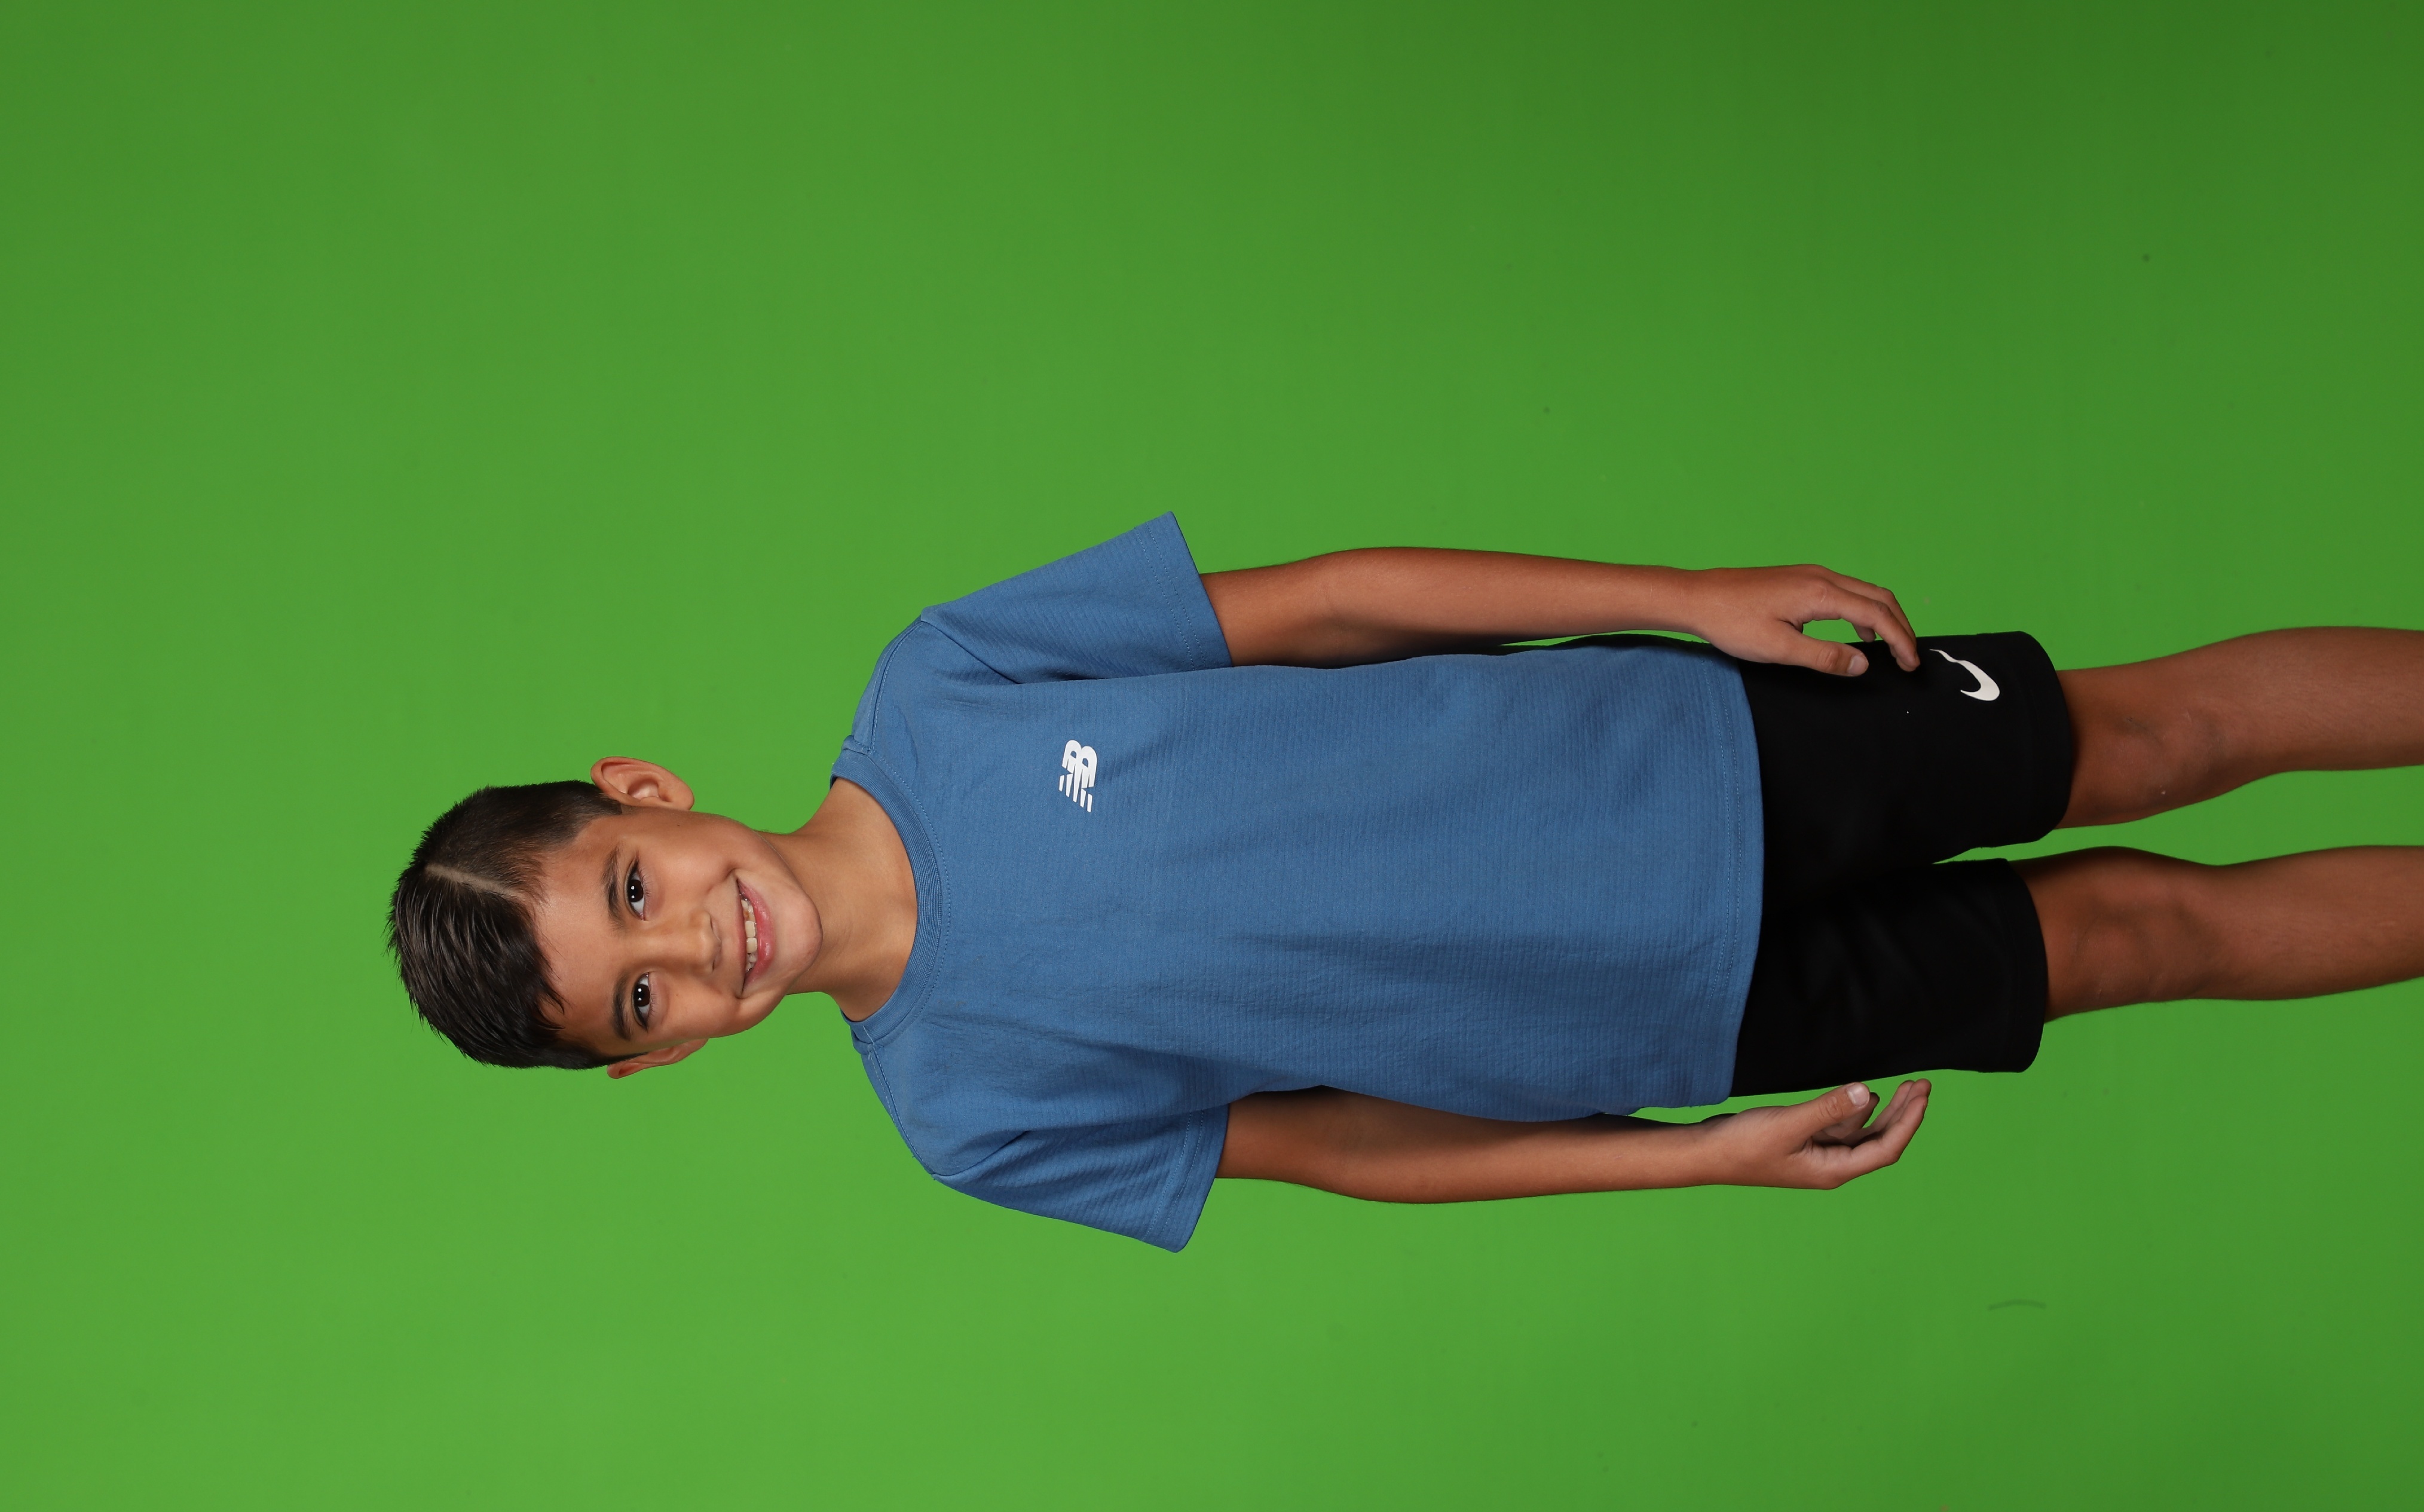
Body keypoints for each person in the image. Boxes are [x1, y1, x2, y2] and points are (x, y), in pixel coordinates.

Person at [389, 515, 2424, 1249]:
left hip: (1684, 746)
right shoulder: (969, 1117)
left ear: (643, 793)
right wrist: (1685, 1163)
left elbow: (1339, 603)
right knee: (2144, 937)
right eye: (637, 996)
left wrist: (1683, 598)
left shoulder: (948, 684)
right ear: (650, 1061)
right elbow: (1352, 1150)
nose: (695, 943)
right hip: (1674, 1014)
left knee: (2151, 736)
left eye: (633, 888)